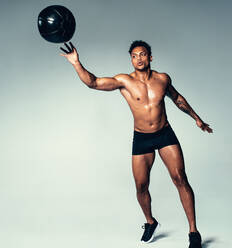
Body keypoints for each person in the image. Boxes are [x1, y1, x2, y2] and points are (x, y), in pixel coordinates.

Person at [59, 40, 213, 248]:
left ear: (150, 57)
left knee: (180, 178)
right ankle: (150, 222)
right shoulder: (124, 81)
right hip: (142, 137)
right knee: (141, 186)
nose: (138, 58)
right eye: (134, 55)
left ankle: (193, 231)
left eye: (142, 54)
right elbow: (93, 82)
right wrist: (76, 63)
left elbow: (177, 99)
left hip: (164, 134)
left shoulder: (162, 79)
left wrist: (197, 118)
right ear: (131, 59)